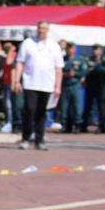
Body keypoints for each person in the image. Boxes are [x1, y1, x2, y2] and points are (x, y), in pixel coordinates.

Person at [13, 20, 63, 150]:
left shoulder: (54, 46)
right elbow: (20, 62)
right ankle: (25, 138)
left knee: (42, 112)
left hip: (47, 84)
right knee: (29, 110)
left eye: (44, 28)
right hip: (30, 83)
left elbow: (58, 68)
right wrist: (17, 80)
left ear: (48, 30)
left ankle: (39, 140)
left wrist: (58, 86)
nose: (42, 30)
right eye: (40, 28)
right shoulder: (28, 43)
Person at [59, 42, 83, 132]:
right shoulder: (62, 59)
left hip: (75, 85)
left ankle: (77, 125)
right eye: (68, 49)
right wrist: (65, 74)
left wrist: (75, 74)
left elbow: (84, 71)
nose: (70, 50)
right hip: (65, 85)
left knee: (77, 106)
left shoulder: (79, 59)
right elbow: (58, 71)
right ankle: (65, 125)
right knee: (64, 107)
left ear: (74, 49)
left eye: (71, 48)